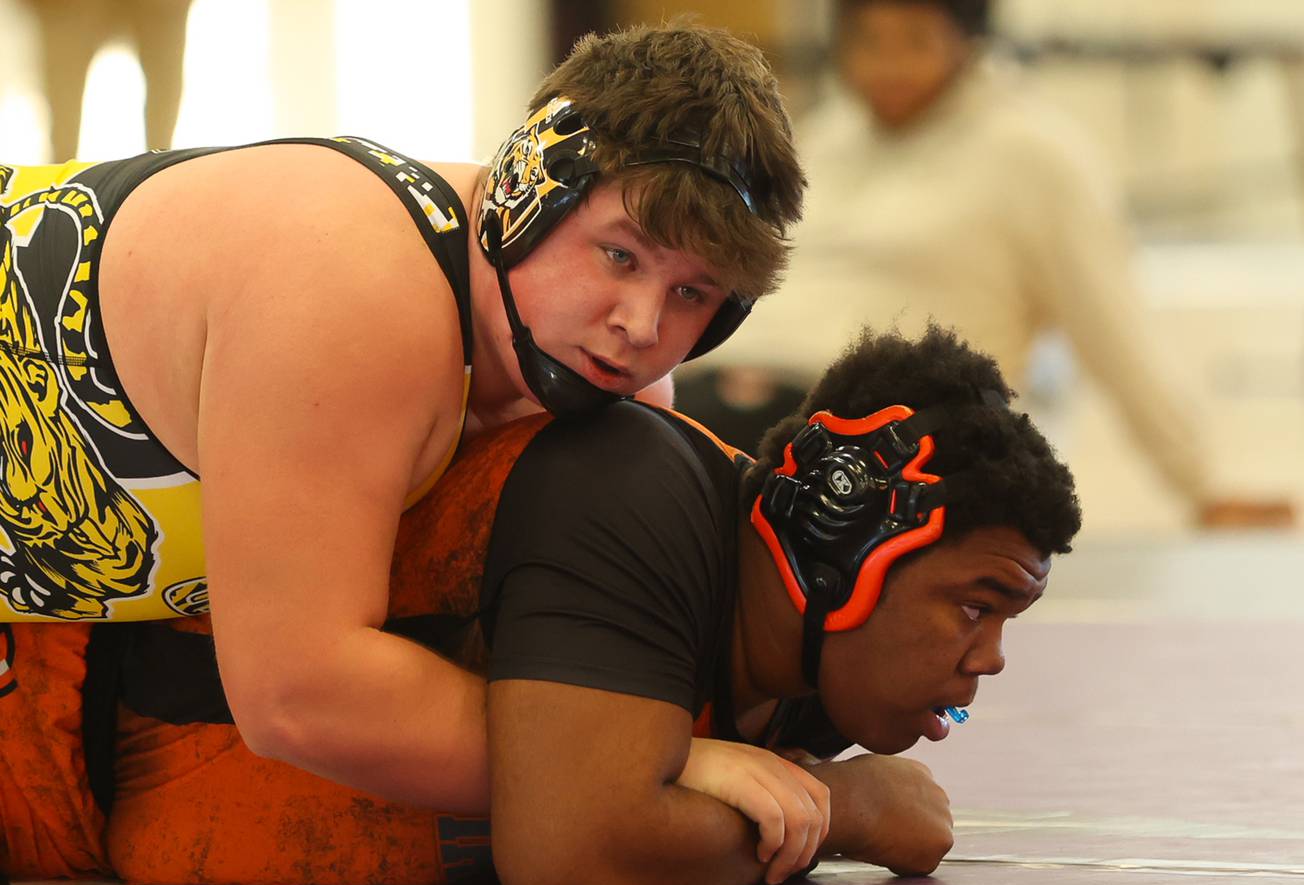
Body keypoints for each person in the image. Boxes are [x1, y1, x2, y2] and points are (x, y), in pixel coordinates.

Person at [0, 21, 804, 818]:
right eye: (620, 255)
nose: (641, 324)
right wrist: (636, 761)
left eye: (691, 294)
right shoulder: (354, 291)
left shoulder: (603, 380)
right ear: (527, 191)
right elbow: (297, 693)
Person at [1, 325, 1083, 885]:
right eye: (972, 607)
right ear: (850, 549)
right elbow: (572, 852)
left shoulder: (800, 693)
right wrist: (834, 811)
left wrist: (746, 776)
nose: (987, 660)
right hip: (34, 694)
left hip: (70, 825)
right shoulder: (632, 489)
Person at [701, 0, 1291, 526]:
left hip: (881, 433)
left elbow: (1114, 332)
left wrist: (1202, 485)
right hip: (732, 395)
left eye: (914, 41)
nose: (888, 65)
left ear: (967, 38)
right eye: (868, 41)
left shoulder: (1035, 155)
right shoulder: (827, 136)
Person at [21, 0, 196, 162]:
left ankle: (162, 172)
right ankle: (57, 183)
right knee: (61, 124)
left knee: (162, 145)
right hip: (67, 8)